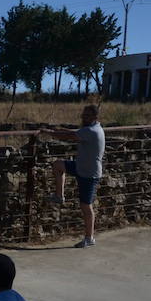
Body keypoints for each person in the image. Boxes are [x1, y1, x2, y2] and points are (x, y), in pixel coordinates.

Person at [43, 104, 106, 248]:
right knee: (58, 165)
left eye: (87, 115)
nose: (84, 117)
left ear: (95, 117)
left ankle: (89, 238)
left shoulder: (92, 131)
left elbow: (70, 136)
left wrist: (50, 133)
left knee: (86, 206)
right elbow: (74, 132)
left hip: (88, 174)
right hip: (80, 167)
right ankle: (59, 196)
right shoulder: (92, 128)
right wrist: (56, 130)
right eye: (84, 114)